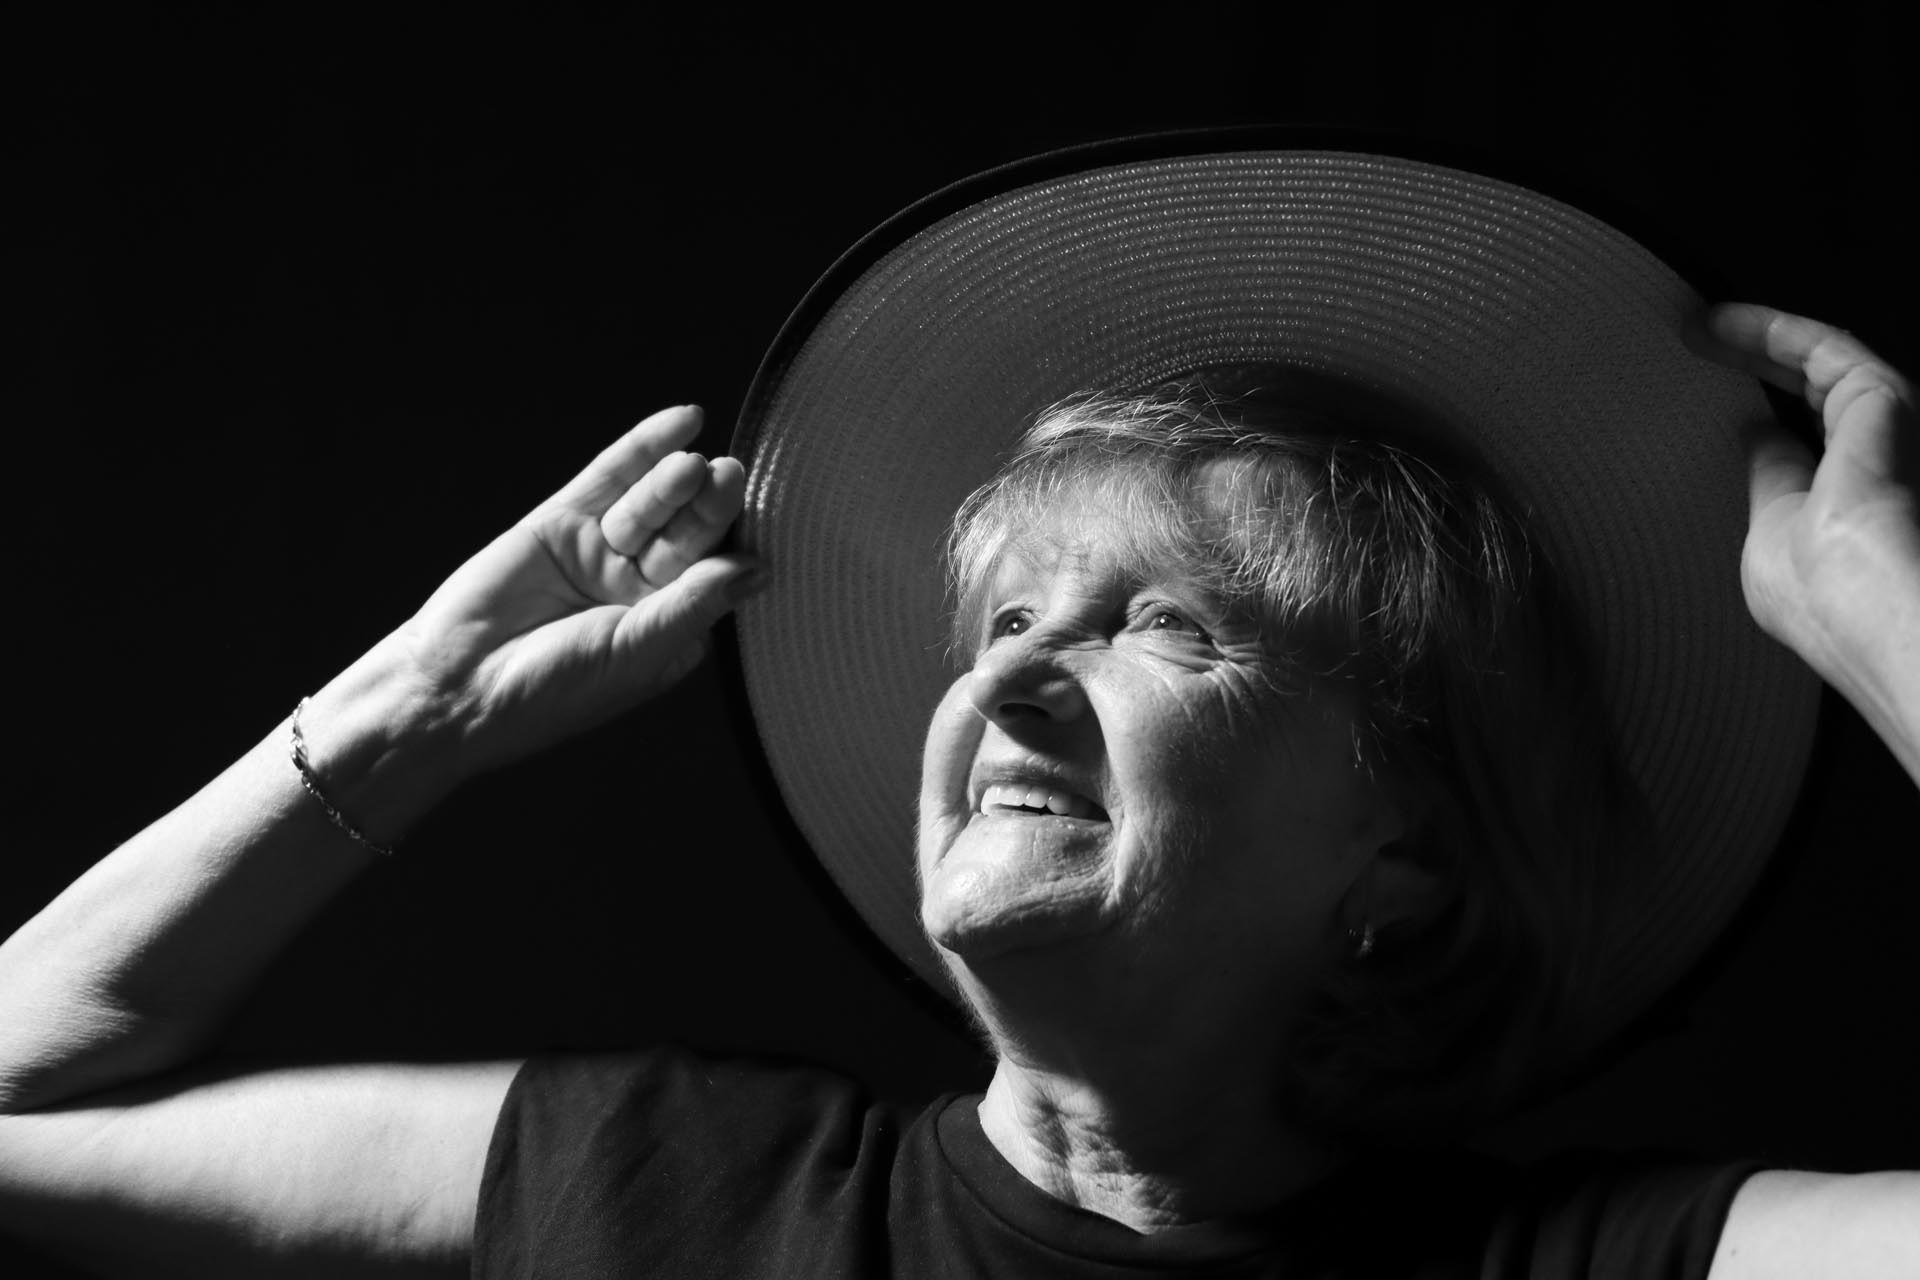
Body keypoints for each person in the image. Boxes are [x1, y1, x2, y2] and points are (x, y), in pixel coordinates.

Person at [1, 142, 1915, 1277]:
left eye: (1170, 625)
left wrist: (1876, 608)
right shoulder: (674, 1195)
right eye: (1004, 618)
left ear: (1399, 858)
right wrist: (412, 710)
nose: (1006, 677)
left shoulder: (1590, 1261)